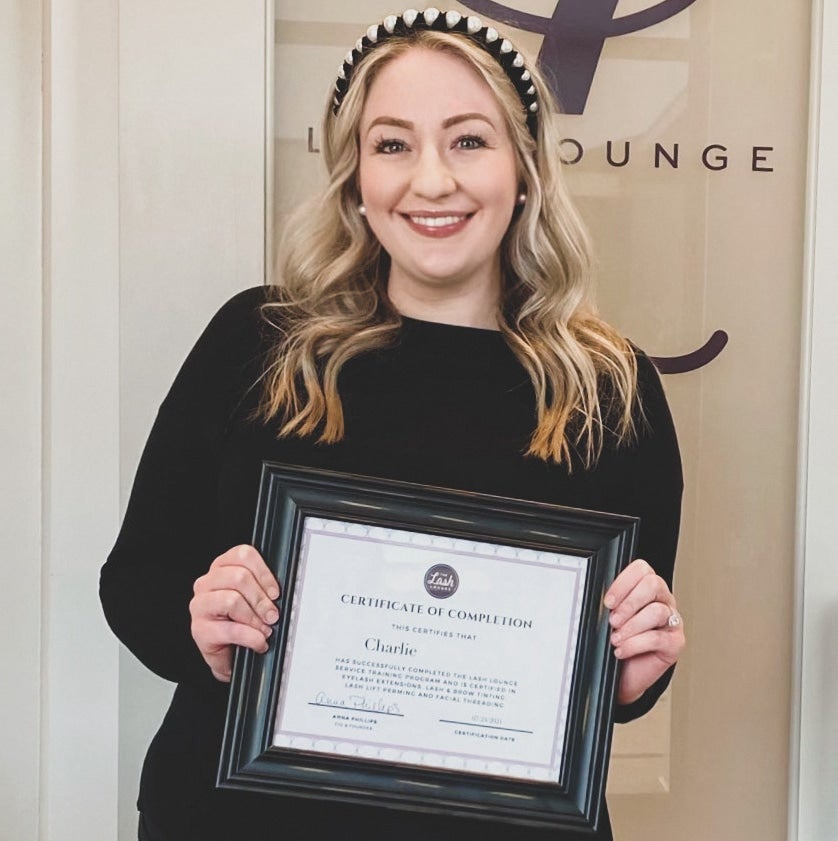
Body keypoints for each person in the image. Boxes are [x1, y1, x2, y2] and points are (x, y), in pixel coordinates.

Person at [100, 8, 685, 840]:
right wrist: (203, 621)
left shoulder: (608, 390)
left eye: (469, 140)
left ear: (525, 170)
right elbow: (136, 582)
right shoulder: (257, 342)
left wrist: (635, 670)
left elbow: (620, 666)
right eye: (393, 144)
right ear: (356, 179)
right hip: (238, 819)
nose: (432, 180)